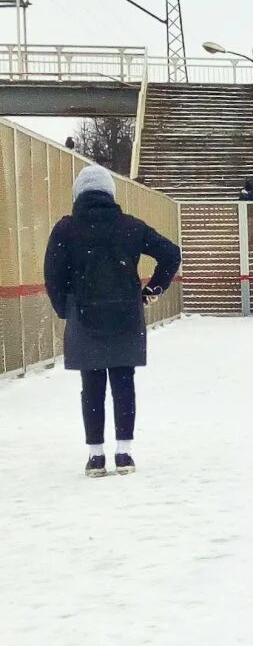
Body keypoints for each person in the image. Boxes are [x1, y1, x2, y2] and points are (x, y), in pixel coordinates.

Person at [43, 164, 181, 477]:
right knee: (123, 383)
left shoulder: (66, 229)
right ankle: (124, 454)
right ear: (110, 193)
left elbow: (52, 274)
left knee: (91, 386)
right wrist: (152, 289)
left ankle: (95, 457)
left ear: (79, 193)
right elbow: (171, 253)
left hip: (84, 314)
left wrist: (65, 308)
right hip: (125, 314)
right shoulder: (130, 226)